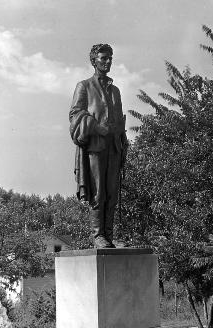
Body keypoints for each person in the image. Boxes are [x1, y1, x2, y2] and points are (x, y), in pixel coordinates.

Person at [69, 43, 128, 248]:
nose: (107, 61)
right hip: (96, 147)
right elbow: (75, 115)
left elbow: (119, 120)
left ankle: (109, 236)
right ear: (94, 60)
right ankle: (98, 236)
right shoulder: (84, 86)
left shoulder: (116, 91)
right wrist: (96, 126)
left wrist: (122, 139)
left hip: (114, 146)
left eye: (110, 58)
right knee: (98, 192)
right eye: (103, 58)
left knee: (112, 193)